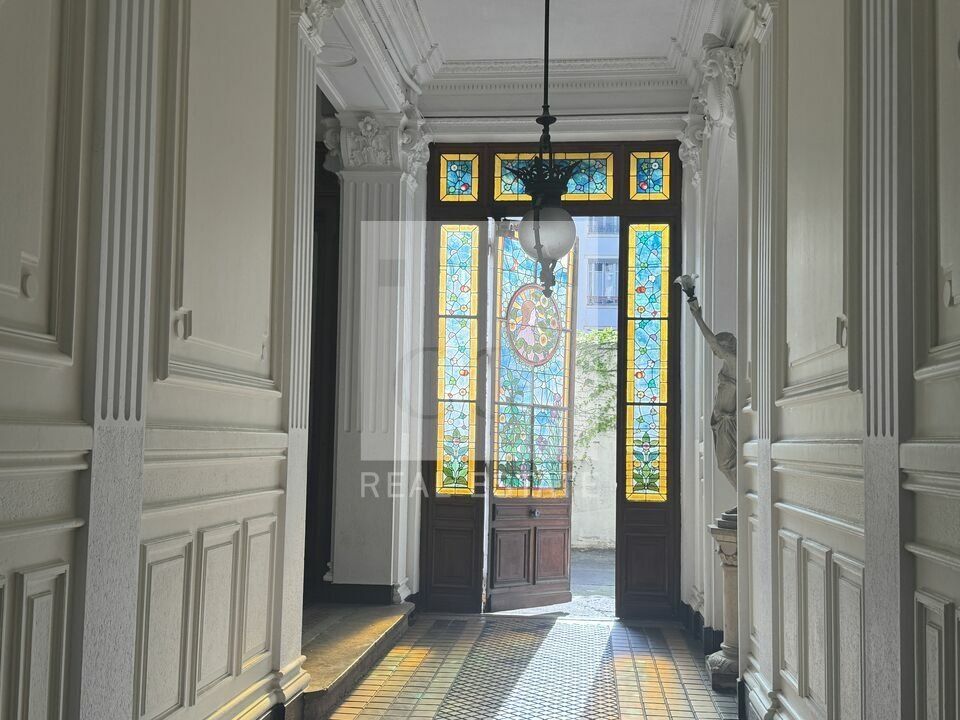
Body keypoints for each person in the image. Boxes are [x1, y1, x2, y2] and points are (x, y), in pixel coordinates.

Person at [687, 298, 738, 491]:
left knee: (725, 465)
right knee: (728, 465)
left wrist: (698, 318)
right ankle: (742, 498)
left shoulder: (735, 362)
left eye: (719, 347)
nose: (714, 351)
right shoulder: (729, 365)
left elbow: (713, 342)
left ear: (728, 347)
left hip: (728, 423)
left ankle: (744, 500)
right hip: (719, 421)